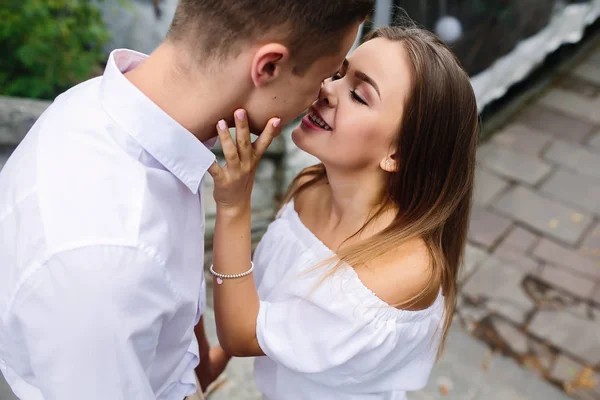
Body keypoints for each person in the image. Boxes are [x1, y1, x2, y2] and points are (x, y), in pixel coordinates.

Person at [0, 1, 373, 398]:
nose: (323, 94)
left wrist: (194, 364)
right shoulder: (107, 256)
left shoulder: (114, 106)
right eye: (325, 74)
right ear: (268, 67)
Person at [207, 24, 479, 399]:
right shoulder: (311, 186)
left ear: (397, 154)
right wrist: (215, 356)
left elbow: (244, 334)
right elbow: (279, 312)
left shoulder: (402, 271)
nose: (327, 89)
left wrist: (234, 206)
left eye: (359, 95)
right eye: (337, 73)